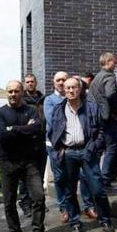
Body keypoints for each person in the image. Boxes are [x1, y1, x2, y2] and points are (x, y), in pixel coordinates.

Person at [48, 77, 115, 232]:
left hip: (87, 151)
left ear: (80, 89)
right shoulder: (58, 109)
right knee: (69, 191)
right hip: (68, 153)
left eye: (74, 88)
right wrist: (60, 149)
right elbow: (52, 131)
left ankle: (105, 219)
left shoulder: (91, 107)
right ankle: (75, 223)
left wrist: (93, 148)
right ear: (63, 90)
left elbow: (101, 130)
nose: (71, 91)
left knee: (98, 189)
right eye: (67, 88)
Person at [0, 80, 52, 232]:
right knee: (9, 201)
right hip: (8, 163)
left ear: (22, 92)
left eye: (16, 91)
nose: (13, 94)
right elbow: (2, 136)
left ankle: (38, 231)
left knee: (39, 197)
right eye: (10, 91)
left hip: (29, 162)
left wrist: (14, 129)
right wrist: (24, 128)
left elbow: (38, 129)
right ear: (7, 93)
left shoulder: (31, 110)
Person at [88, 53, 117, 190]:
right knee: (112, 147)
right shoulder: (109, 76)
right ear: (108, 62)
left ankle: (95, 179)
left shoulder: (96, 77)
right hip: (108, 118)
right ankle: (105, 180)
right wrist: (115, 112)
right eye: (114, 62)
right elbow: (110, 94)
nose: (116, 65)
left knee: (98, 148)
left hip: (96, 118)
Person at [44, 71, 72, 221]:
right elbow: (53, 121)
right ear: (54, 82)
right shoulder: (49, 100)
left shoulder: (75, 98)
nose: (61, 82)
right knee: (60, 177)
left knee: (76, 176)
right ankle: (63, 207)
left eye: (64, 79)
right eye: (58, 80)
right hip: (56, 145)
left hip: (73, 144)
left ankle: (86, 206)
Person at [18, 73, 47, 217]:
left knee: (40, 174)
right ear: (24, 84)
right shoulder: (21, 100)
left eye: (32, 81)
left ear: (36, 83)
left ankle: (39, 201)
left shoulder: (43, 98)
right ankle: (25, 203)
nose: (30, 84)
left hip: (41, 141)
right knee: (25, 175)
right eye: (27, 82)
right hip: (27, 142)